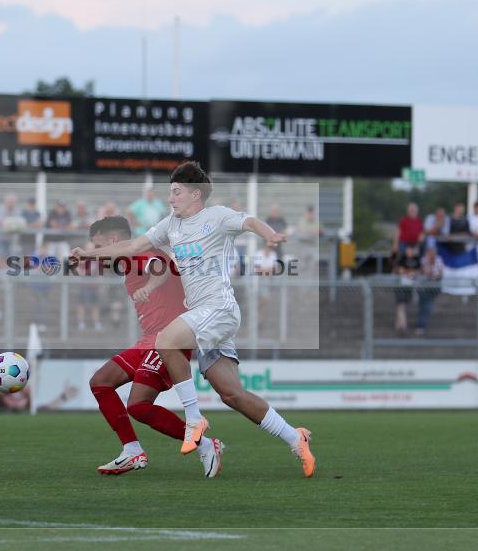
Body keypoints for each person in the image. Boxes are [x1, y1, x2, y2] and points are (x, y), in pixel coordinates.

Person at [71, 161, 315, 477]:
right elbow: (132, 245)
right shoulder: (171, 224)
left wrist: (271, 234)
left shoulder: (216, 216)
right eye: (170, 192)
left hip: (219, 308)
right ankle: (294, 437)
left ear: (195, 194)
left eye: (176, 192)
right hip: (203, 318)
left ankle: (193, 419)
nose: (171, 198)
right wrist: (87, 255)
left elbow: (249, 221)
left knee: (166, 340)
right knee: (232, 394)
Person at [84, 216, 223, 477]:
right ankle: (132, 450)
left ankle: (205, 444)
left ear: (114, 241)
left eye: (98, 246)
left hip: (169, 339)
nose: (98, 253)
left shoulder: (140, 254)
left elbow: (160, 267)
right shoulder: (127, 261)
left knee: (138, 405)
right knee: (100, 382)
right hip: (149, 340)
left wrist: (148, 286)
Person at [416, 246, 444, 335]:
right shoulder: (423, 260)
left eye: (433, 252)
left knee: (426, 305)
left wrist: (434, 276)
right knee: (425, 306)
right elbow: (425, 272)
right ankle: (421, 325)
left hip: (434, 286)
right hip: (424, 287)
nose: (432, 254)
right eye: (430, 252)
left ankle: (421, 325)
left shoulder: (439, 259)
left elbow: (440, 273)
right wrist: (429, 262)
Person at [76, 241, 103, 332]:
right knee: (81, 305)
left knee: (95, 305)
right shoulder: (81, 259)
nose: (90, 250)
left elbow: (100, 272)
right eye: (88, 248)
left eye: (91, 248)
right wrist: (87, 271)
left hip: (94, 286)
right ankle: (81, 323)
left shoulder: (97, 259)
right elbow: (78, 271)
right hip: (84, 286)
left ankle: (96, 322)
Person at [394, 244, 421, 333]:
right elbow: (401, 270)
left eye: (411, 250)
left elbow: (419, 270)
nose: (409, 252)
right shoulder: (403, 259)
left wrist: (411, 272)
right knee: (401, 304)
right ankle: (403, 324)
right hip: (402, 285)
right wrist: (410, 272)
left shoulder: (416, 259)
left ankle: (399, 324)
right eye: (408, 250)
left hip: (411, 285)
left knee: (403, 305)